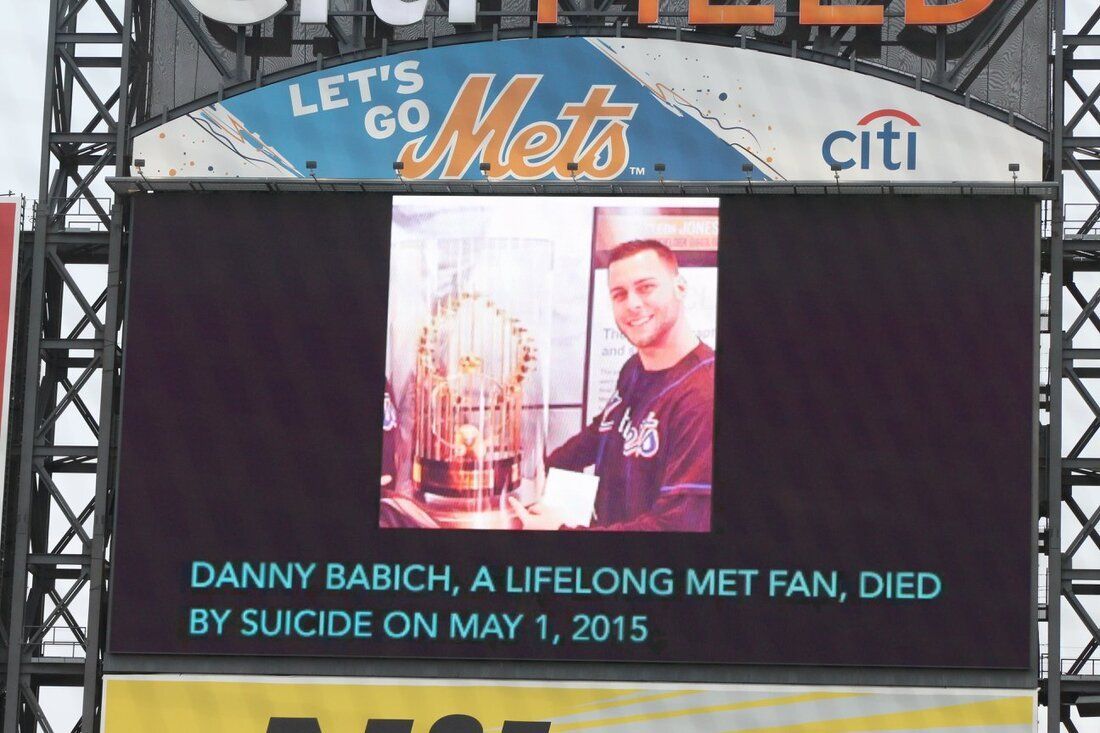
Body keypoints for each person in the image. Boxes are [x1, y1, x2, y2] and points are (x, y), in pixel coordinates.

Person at [509, 239, 714, 532]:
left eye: (646, 287)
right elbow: (602, 432)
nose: (632, 304)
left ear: (680, 288)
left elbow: (676, 525)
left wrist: (561, 532)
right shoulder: (634, 369)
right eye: (619, 294)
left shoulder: (703, 396)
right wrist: (523, 476)